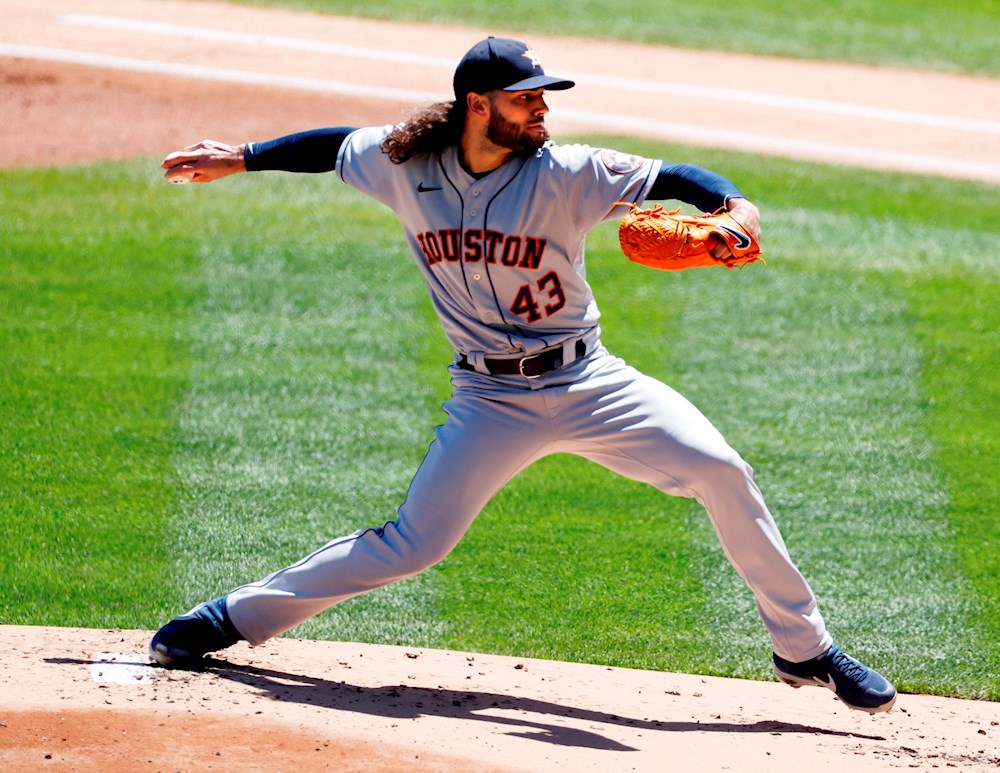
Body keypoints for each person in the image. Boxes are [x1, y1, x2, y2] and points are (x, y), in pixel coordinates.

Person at [149, 36, 897, 714]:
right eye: (526, 97)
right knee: (416, 544)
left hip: (589, 383)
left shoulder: (569, 171)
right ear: (478, 106)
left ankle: (805, 649)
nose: (542, 109)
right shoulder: (405, 162)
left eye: (544, 96)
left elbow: (679, 175)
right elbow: (333, 145)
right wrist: (241, 156)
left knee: (720, 469)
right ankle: (229, 617)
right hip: (489, 398)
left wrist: (737, 206)